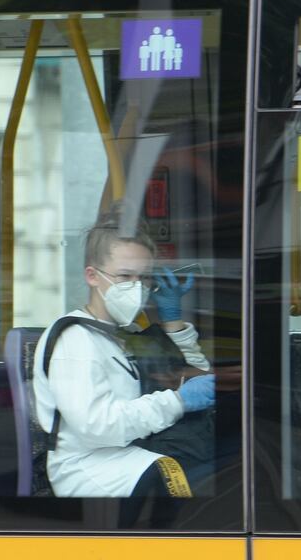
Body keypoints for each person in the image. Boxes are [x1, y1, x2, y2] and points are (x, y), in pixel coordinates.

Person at [32, 208, 215, 498]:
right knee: (181, 485)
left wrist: (173, 321)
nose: (136, 287)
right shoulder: (75, 340)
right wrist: (177, 402)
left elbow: (196, 377)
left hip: (128, 450)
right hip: (87, 466)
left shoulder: (122, 334)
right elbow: (97, 426)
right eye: (124, 276)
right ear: (92, 276)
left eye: (143, 278)